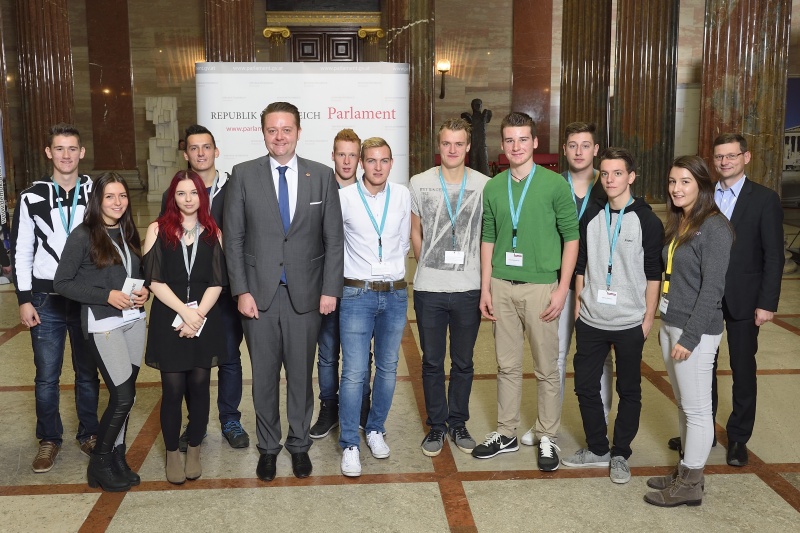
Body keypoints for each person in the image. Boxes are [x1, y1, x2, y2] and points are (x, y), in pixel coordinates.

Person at [224, 101, 344, 482]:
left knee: (299, 374)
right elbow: (235, 239)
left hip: (307, 296)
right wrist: (240, 290)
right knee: (262, 378)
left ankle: (299, 445)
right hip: (257, 296)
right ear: (263, 133)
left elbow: (334, 239)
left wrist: (330, 289)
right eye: (272, 130)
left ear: (298, 132)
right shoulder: (243, 175)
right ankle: (269, 447)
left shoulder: (321, 176)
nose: (279, 136)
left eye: (286, 129)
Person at [666, 134, 784, 467]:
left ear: (746, 157)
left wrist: (768, 302)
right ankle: (703, 428)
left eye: (732, 156)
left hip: (745, 299)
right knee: (704, 368)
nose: (725, 162)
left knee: (743, 369)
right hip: (704, 297)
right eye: (719, 157)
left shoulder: (764, 199)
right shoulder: (703, 196)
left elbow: (773, 255)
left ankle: (738, 437)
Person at [474, 112, 579, 471]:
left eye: (523, 139)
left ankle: (548, 435)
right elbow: (488, 237)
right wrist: (486, 287)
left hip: (541, 287)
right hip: (502, 286)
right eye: (509, 140)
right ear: (502, 145)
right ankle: (505, 433)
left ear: (535, 142)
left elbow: (572, 239)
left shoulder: (554, 185)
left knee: (547, 368)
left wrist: (562, 289)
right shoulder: (493, 186)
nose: (516, 146)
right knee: (506, 365)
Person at [560, 147, 663, 484]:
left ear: (631, 176)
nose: (610, 179)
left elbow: (653, 274)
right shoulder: (590, 215)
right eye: (604, 173)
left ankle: (620, 453)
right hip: (591, 319)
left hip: (630, 321)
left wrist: (647, 319)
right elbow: (582, 264)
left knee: (629, 390)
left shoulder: (646, 220)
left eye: (617, 173)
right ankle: (597, 447)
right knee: (585, 386)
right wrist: (578, 308)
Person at [11, 123, 100, 473]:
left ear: (81, 153)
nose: (66, 155)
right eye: (59, 149)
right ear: (49, 153)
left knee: (87, 372)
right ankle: (49, 439)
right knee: (46, 375)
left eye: (72, 149)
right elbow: (21, 252)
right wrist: (24, 298)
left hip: (85, 297)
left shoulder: (96, 191)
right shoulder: (31, 196)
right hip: (45, 299)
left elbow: (110, 242)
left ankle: (90, 433)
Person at [645, 155, 734, 507]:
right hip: (672, 322)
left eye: (685, 181)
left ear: (701, 185)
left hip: (694, 331)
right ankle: (684, 470)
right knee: (683, 406)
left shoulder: (714, 227)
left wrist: (690, 337)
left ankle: (692, 484)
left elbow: (713, 290)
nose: (676, 188)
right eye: (672, 181)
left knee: (697, 410)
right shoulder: (681, 221)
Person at [54, 172, 148, 492]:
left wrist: (143, 291)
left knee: (128, 394)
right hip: (103, 324)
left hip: (134, 320)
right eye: (110, 196)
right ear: (98, 200)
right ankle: (100, 462)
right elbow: (62, 283)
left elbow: (135, 273)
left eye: (122, 196)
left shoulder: (128, 230)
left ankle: (117, 457)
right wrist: (105, 296)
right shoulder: (83, 235)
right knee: (122, 396)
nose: (118, 202)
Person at [520, 121, 612, 446]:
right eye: (572, 145)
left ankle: (598, 430)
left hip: (599, 286)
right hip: (557, 284)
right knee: (552, 356)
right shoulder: (549, 184)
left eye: (585, 145)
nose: (578, 151)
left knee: (599, 357)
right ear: (565, 149)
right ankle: (546, 426)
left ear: (596, 149)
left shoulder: (609, 184)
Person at [160, 125, 249, 451]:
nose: (201, 153)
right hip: (184, 298)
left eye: (206, 147)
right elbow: (163, 245)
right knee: (188, 363)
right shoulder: (176, 192)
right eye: (194, 148)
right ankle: (194, 424)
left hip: (223, 292)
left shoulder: (234, 187)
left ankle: (230, 419)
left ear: (216, 151)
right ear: (186, 153)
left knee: (228, 356)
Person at [410, 118, 490, 457]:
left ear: (468, 146)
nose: (453, 149)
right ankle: (437, 426)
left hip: (468, 287)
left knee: (463, 361)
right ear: (439, 146)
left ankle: (458, 422)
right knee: (431, 361)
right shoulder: (419, 182)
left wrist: (486, 287)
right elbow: (415, 229)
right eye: (447, 143)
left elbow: (489, 237)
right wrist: (424, 261)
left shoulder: (486, 185)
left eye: (459, 143)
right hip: (429, 287)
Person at [143, 170, 228, 485]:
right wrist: (184, 312)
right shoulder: (158, 229)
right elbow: (153, 280)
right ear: (173, 197)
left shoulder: (213, 232)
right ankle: (172, 453)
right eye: (181, 193)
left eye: (194, 193)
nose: (188, 198)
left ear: (201, 197)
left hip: (205, 318)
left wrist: (199, 316)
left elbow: (218, 280)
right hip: (169, 316)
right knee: (173, 389)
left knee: (199, 386)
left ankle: (193, 448)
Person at [338, 137, 410, 477]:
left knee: (388, 367)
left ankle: (376, 428)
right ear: (362, 164)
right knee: (354, 372)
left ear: (391, 163)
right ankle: (350, 441)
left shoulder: (402, 195)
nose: (377, 167)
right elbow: (334, 244)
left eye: (384, 160)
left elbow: (404, 240)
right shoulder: (345, 198)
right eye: (371, 160)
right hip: (357, 294)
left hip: (395, 294)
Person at [310, 128, 373, 439]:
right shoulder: (321, 190)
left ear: (359, 159)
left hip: (359, 287)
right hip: (327, 286)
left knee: (362, 353)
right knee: (327, 351)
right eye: (341, 154)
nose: (346, 161)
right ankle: (329, 408)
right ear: (332, 156)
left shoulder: (368, 193)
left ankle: (362, 405)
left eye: (352, 154)